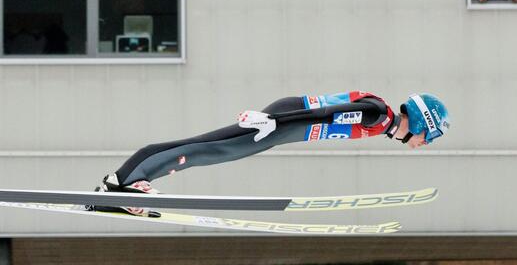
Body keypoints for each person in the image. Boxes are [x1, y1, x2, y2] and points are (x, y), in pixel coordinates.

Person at [94, 91, 451, 216]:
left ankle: (123, 185)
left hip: (283, 126)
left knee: (206, 148)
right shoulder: (378, 114)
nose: (425, 143)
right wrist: (272, 120)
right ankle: (125, 183)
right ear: (421, 123)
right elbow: (324, 114)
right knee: (206, 150)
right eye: (428, 137)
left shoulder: (380, 119)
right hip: (283, 121)